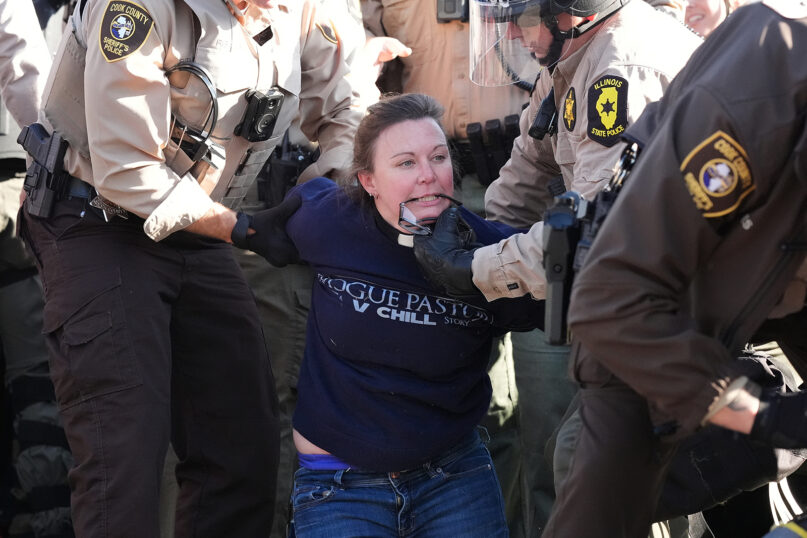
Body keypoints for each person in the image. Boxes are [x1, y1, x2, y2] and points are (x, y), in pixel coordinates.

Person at [17, 1, 362, 536]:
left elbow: (347, 107)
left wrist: (323, 191)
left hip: (200, 228)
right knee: (125, 451)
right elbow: (125, 168)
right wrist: (246, 230)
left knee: (242, 444)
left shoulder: (302, 8)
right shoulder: (136, 7)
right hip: (96, 221)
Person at [539, 2, 807, 536]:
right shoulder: (746, 105)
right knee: (598, 504)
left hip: (783, 280)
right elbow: (605, 305)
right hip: (646, 316)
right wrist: (757, 414)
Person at [279, 92, 544, 537]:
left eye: (438, 157)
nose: (428, 176)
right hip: (338, 485)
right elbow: (253, 228)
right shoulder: (328, 219)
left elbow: (575, 299)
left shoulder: (492, 254)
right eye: (405, 163)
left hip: (453, 479)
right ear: (368, 180)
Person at [0, 1, 73, 537]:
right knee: (35, 373)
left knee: (36, 375)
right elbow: (22, 65)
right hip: (17, 177)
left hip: (15, 179)